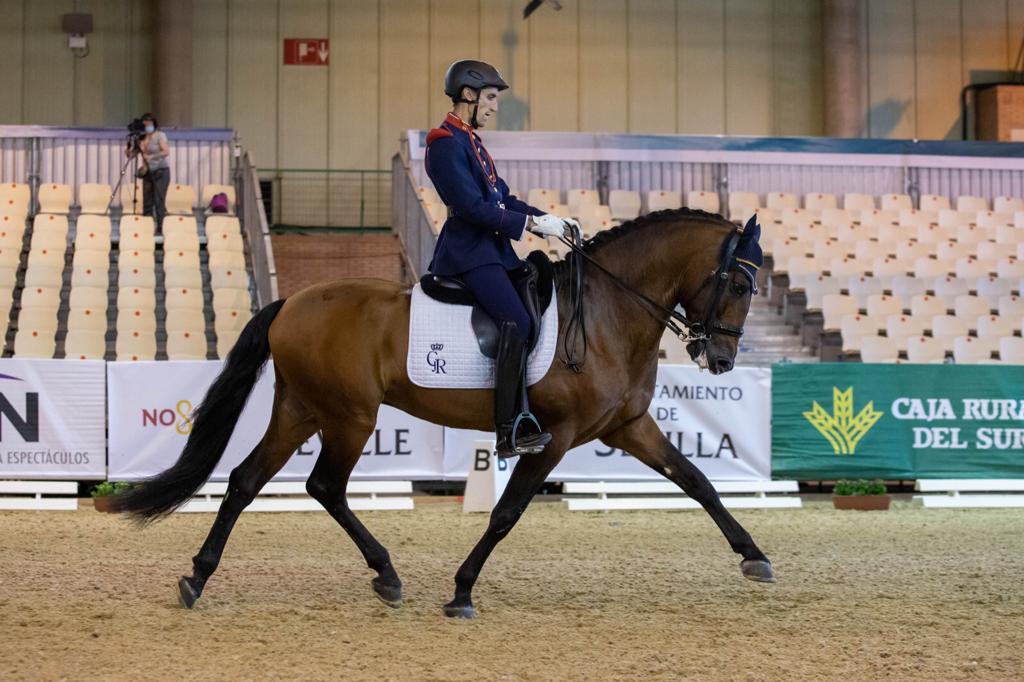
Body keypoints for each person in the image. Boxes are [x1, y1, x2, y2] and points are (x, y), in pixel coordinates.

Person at [424, 59, 578, 458]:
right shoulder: (443, 142)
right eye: (490, 98)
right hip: (469, 254)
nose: (494, 106)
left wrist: (548, 219)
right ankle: (509, 427)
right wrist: (529, 225)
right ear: (469, 95)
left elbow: (502, 199)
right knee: (518, 320)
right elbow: (473, 208)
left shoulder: (472, 142)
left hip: (495, 253)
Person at [126, 113, 170, 230]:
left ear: (154, 124)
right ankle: (147, 226)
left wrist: (152, 157)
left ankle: (161, 226)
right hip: (147, 173)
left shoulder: (160, 135)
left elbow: (165, 152)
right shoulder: (142, 138)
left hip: (160, 171)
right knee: (147, 201)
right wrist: (129, 147)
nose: (147, 127)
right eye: (145, 125)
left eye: (149, 124)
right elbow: (132, 155)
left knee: (158, 200)